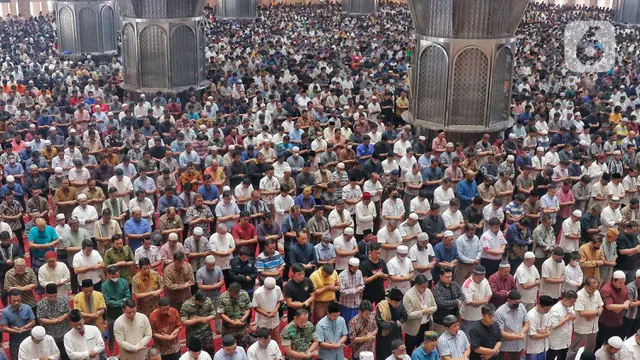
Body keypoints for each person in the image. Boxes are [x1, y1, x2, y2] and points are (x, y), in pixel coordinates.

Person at [567, 277, 604, 360]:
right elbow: (582, 313)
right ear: (587, 286)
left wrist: (593, 314)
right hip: (581, 326)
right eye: (593, 288)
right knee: (574, 348)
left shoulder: (597, 292)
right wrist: (597, 313)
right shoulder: (579, 295)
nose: (595, 290)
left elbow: (601, 306)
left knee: (590, 349)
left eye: (596, 288)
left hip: (593, 326)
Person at [402, 274, 437, 355]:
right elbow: (408, 314)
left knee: (423, 349)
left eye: (426, 286)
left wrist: (427, 310)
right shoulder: (408, 295)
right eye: (423, 287)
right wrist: (422, 312)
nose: (425, 289)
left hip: (426, 325)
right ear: (416, 285)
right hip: (412, 328)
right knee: (409, 351)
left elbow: (434, 306)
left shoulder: (428, 291)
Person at [596, 270, 630, 350]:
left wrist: (622, 306)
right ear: (613, 281)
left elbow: (627, 299)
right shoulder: (606, 289)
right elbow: (609, 306)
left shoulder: (624, 288)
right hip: (606, 322)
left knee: (613, 343)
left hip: (618, 320)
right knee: (600, 342)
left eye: (623, 283)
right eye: (620, 283)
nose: (622, 285)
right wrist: (624, 306)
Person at [37, 283, 71, 360]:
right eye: (50, 296)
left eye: (54, 296)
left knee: (65, 354)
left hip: (64, 332)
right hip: (50, 335)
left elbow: (68, 312)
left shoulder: (63, 299)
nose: (52, 298)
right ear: (46, 294)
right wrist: (54, 321)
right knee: (51, 356)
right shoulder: (41, 304)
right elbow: (40, 318)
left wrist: (61, 318)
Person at [101, 265, 130, 353]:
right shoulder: (104, 286)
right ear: (108, 275)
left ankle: (126, 352)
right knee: (111, 335)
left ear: (119, 273)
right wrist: (121, 302)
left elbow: (128, 297)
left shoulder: (124, 282)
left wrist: (115, 302)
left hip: (123, 313)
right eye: (113, 277)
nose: (115, 278)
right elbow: (107, 301)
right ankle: (112, 353)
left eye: (117, 276)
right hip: (111, 315)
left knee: (126, 333)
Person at [2, 288, 37, 360]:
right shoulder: (5, 312)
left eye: (18, 300)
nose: (16, 303)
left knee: (32, 357)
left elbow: (33, 322)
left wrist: (24, 327)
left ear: (21, 298)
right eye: (14, 301)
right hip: (14, 341)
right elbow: (3, 327)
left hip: (28, 338)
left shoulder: (27, 307)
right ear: (10, 299)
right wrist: (16, 331)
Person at [180, 291, 216, 358]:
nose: (202, 304)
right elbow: (184, 322)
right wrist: (197, 320)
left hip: (206, 333)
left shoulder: (208, 301)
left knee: (209, 352)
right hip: (193, 334)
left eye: (203, 302)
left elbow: (214, 314)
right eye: (200, 302)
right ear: (195, 299)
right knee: (193, 354)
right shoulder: (186, 305)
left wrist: (205, 319)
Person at [494, 290, 528, 360]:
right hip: (506, 348)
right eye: (515, 303)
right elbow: (501, 332)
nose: (518, 304)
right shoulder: (500, 312)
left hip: (519, 346)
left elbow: (527, 323)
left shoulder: (521, 307)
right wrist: (517, 336)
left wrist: (521, 332)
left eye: (519, 302)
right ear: (509, 300)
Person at [375, 288, 408, 360]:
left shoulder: (400, 305)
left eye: (399, 303)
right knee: (384, 356)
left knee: (398, 355)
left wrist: (401, 322)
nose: (397, 305)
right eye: (395, 303)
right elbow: (381, 323)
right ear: (390, 300)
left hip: (396, 335)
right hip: (384, 337)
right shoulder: (381, 307)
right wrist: (396, 324)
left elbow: (405, 316)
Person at [460, 265, 493, 336]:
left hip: (481, 315)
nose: (482, 279)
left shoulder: (484, 280)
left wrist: (479, 303)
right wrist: (483, 302)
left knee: (479, 336)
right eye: (480, 277)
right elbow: (468, 301)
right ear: (474, 274)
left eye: (483, 276)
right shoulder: (467, 284)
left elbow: (489, 294)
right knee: (469, 337)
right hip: (469, 318)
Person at [218, 282, 251, 348]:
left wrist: (242, 319)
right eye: (233, 294)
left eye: (237, 293)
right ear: (229, 290)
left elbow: (248, 309)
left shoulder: (244, 294)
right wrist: (232, 322)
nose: (235, 295)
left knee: (242, 347)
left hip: (241, 327)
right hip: (228, 328)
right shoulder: (223, 297)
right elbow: (221, 314)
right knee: (229, 348)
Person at [547, 290, 578, 360]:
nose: (572, 304)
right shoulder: (555, 309)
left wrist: (573, 317)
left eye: (574, 302)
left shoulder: (569, 306)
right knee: (551, 357)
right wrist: (567, 318)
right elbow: (554, 325)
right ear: (565, 299)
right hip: (556, 339)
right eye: (571, 302)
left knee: (562, 357)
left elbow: (573, 316)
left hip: (566, 338)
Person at [252, 277, 283, 343]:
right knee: (264, 341)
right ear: (265, 286)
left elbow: (279, 301)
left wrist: (274, 311)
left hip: (274, 318)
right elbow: (255, 307)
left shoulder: (277, 288)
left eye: (272, 288)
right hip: (263, 320)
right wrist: (266, 314)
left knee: (276, 340)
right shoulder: (258, 292)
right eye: (269, 289)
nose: (270, 290)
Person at [338, 257, 364, 326]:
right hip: (346, 306)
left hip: (356, 305)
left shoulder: (359, 273)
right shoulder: (342, 275)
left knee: (355, 325)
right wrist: (354, 290)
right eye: (354, 268)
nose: (355, 270)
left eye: (357, 268)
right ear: (349, 266)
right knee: (346, 326)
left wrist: (359, 289)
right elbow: (342, 291)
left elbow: (362, 285)